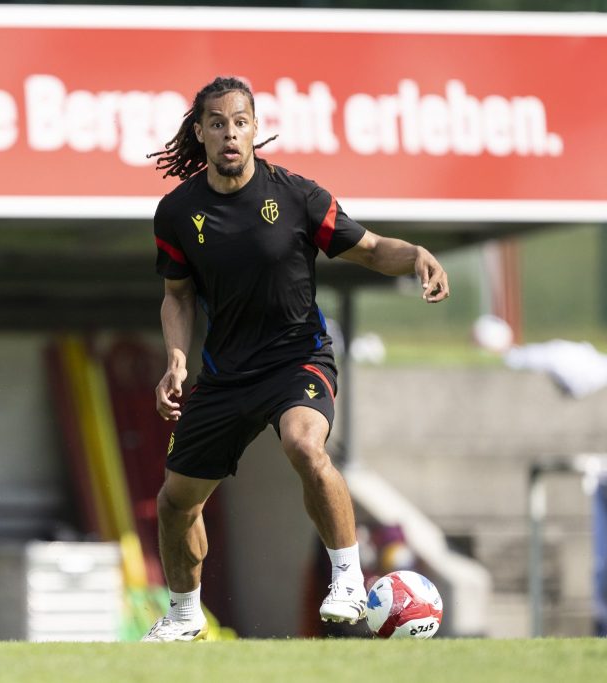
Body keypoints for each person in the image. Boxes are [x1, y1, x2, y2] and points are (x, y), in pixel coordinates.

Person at [141, 77, 449, 642]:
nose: (229, 134)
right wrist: (177, 361)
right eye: (217, 123)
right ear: (200, 132)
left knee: (304, 445)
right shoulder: (178, 213)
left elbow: (370, 248)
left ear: (255, 129)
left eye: (240, 122)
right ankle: (184, 615)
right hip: (227, 376)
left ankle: (348, 580)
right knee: (175, 504)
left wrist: (416, 256)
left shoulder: (297, 197)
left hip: (297, 358)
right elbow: (177, 295)